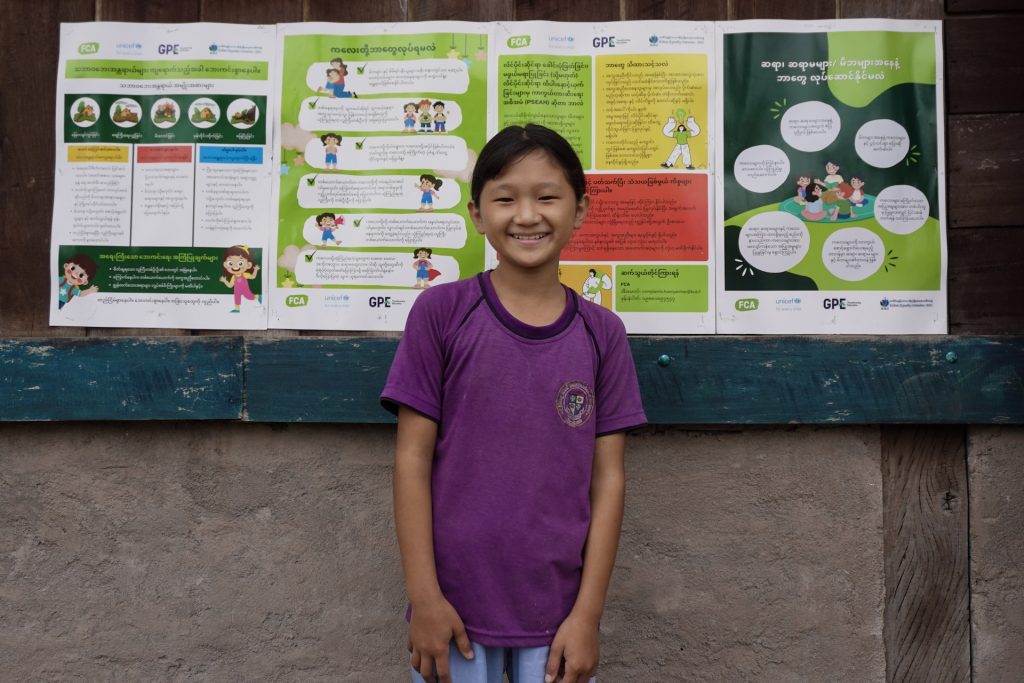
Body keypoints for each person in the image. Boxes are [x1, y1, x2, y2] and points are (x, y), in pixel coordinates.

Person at [382, 123, 646, 683]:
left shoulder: (603, 333)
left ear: (579, 210)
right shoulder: (441, 314)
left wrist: (588, 616)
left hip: (557, 619)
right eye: (505, 198)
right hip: (451, 612)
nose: (527, 215)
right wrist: (424, 599)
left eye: (547, 196)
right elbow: (411, 460)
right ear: (478, 215)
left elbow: (609, 479)